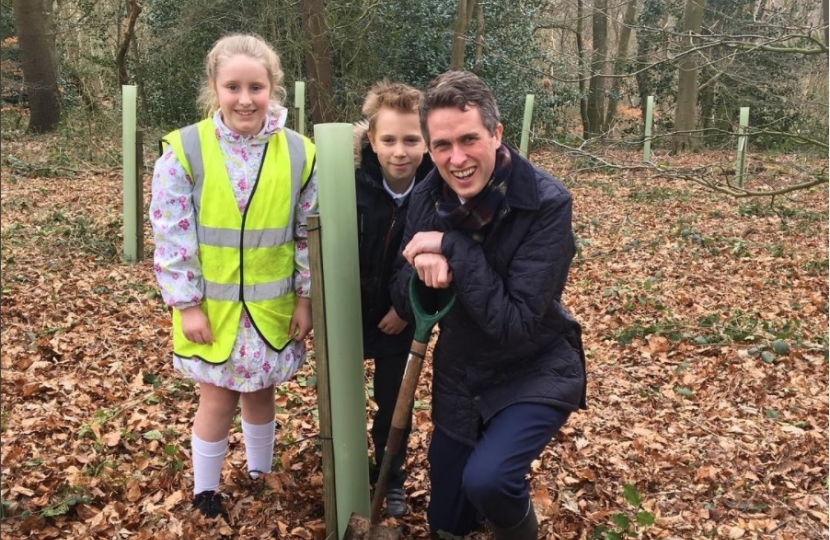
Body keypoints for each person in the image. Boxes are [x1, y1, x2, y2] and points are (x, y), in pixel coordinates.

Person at [389, 71, 587, 539]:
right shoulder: (426, 195)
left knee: (490, 479)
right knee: (447, 523)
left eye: (469, 139)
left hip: (533, 368)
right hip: (463, 375)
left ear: (497, 135)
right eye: (441, 145)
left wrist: (452, 248)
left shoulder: (545, 203)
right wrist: (421, 270)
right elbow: (402, 296)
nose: (456, 159)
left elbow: (516, 322)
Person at [148, 33, 317, 519]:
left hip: (271, 309)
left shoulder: (301, 153)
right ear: (214, 87)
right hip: (212, 311)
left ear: (273, 89)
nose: (246, 99)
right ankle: (206, 492)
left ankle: (260, 475)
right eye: (233, 87)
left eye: (256, 87)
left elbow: (308, 236)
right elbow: (172, 233)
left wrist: (305, 299)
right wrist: (186, 304)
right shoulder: (185, 150)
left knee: (262, 393)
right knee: (217, 399)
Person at [353, 80, 433, 518]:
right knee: (343, 400)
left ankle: (391, 475)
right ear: (371, 140)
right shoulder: (347, 183)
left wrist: (405, 309)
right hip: (349, 315)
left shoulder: (436, 191)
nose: (399, 151)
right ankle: (345, 467)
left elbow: (440, 262)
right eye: (389, 140)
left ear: (425, 141)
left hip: (399, 319)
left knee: (392, 405)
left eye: (410, 140)